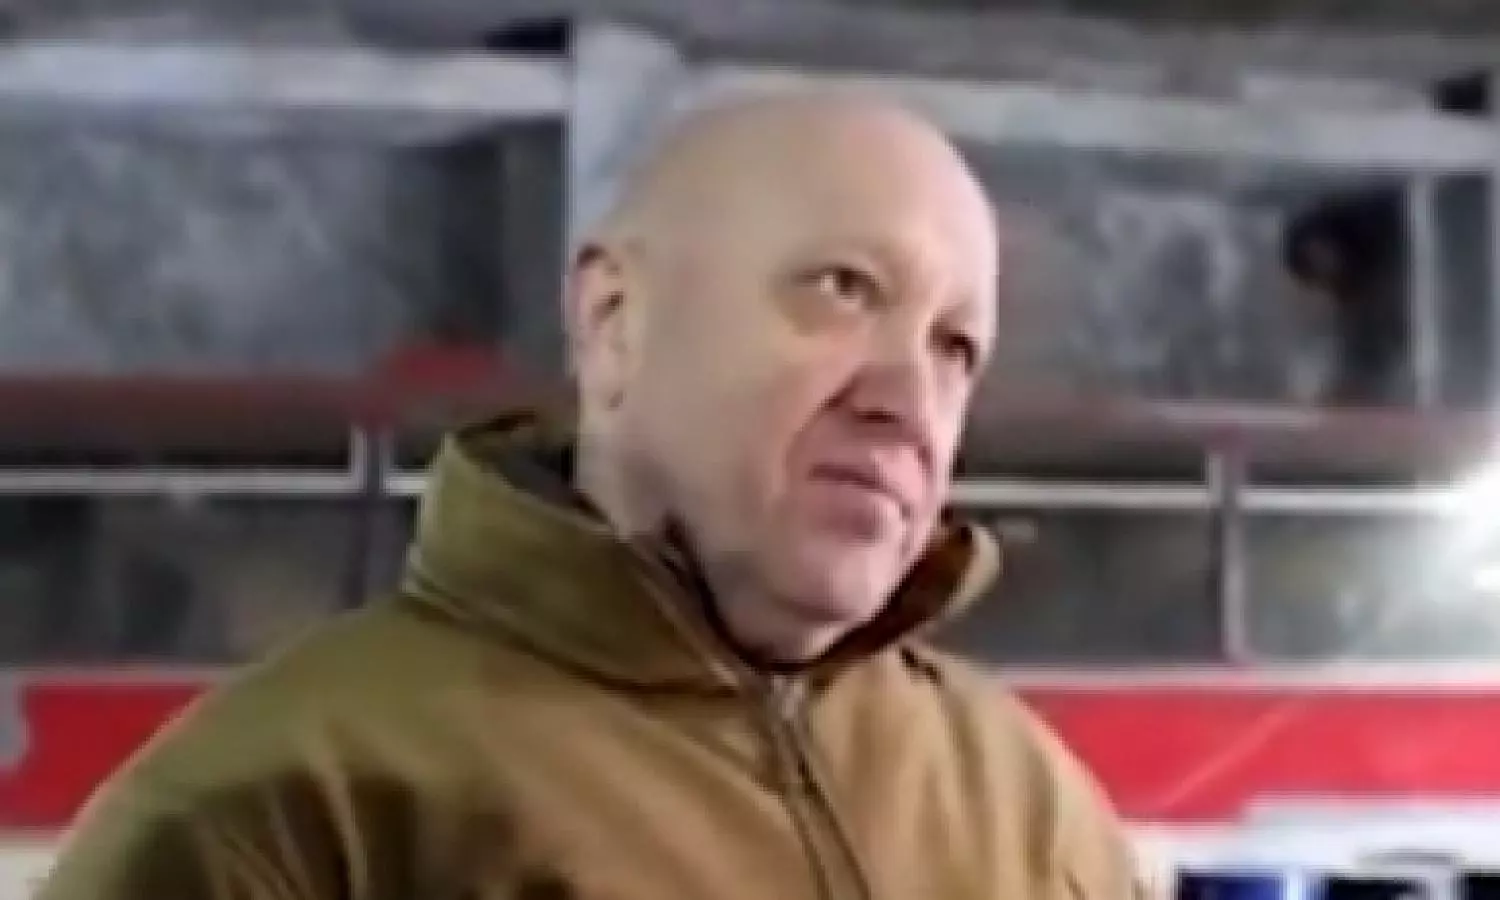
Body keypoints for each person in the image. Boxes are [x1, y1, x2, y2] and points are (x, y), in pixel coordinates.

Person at [37, 93, 1150, 899]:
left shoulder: (1035, 808)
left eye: (956, 347)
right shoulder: (281, 819)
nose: (908, 399)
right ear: (614, 322)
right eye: (843, 290)